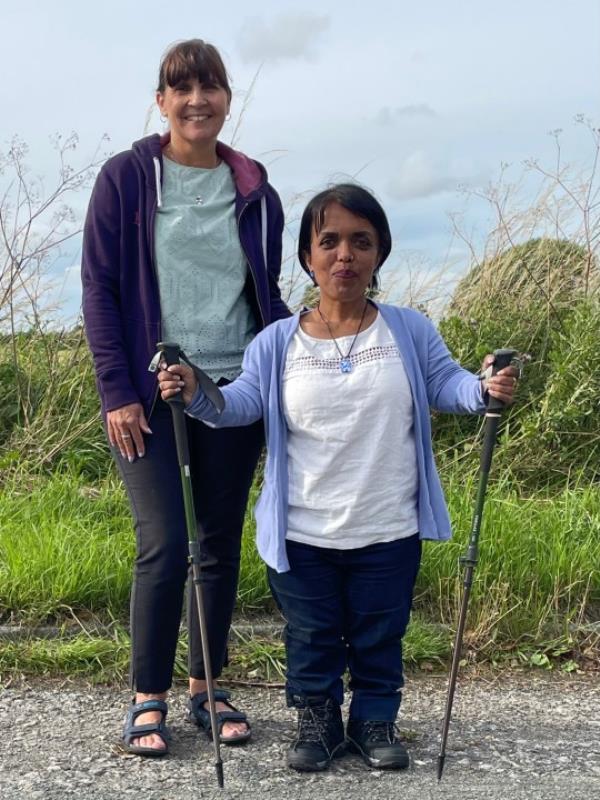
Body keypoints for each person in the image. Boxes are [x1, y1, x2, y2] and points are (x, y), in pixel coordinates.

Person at [157, 183, 519, 772]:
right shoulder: (277, 341)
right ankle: (318, 721)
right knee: (311, 637)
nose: (344, 254)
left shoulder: (408, 329)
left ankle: (375, 719)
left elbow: (447, 385)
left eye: (361, 241)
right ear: (307, 256)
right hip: (303, 530)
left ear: (379, 254)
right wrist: (197, 389)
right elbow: (240, 403)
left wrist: (483, 390)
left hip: (388, 525)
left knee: (381, 635)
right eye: (329, 242)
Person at [81, 39, 289, 756]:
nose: (197, 99)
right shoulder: (127, 178)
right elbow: (100, 291)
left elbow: (265, 295)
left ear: (227, 97)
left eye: (211, 86)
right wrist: (118, 389)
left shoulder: (257, 189)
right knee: (167, 542)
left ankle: (208, 687)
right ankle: (149, 697)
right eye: (181, 87)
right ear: (162, 99)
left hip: (234, 390)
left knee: (218, 545)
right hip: (151, 392)